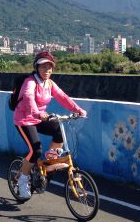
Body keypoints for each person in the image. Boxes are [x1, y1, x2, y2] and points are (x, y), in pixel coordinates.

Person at [13, 51, 87, 198]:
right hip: (25, 119)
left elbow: (63, 97)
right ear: (37, 67)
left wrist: (78, 110)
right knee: (36, 150)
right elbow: (28, 97)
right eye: (43, 67)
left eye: (49, 67)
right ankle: (22, 180)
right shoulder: (30, 82)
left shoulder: (50, 84)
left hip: (40, 118)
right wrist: (37, 113)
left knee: (58, 130)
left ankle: (49, 161)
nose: (47, 70)